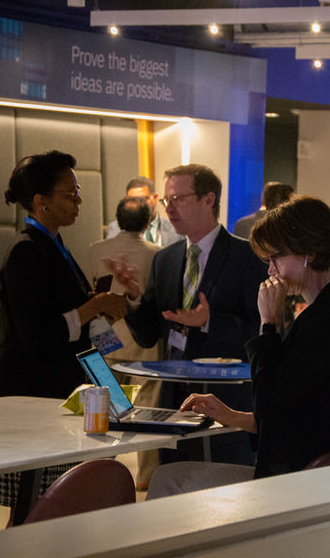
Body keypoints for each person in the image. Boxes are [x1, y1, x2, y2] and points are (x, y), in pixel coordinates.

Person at [145, 196, 330, 497]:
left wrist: (267, 323)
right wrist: (230, 415)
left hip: (306, 483)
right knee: (172, 476)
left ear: (308, 252)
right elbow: (290, 410)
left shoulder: (328, 320)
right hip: (317, 474)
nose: (270, 271)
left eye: (275, 259)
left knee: (169, 478)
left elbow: (272, 406)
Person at [0, 150, 127, 519]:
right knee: (33, 507)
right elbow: (36, 333)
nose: (78, 202)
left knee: (59, 506)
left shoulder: (54, 245)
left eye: (78, 193)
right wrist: (94, 306)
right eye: (70, 194)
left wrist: (100, 305)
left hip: (60, 385)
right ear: (41, 201)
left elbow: (69, 314)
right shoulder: (26, 250)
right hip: (32, 391)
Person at [111, 163, 267, 465]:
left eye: (178, 199)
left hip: (226, 403)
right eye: (166, 200)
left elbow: (261, 331)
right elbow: (148, 335)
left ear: (208, 200)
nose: (169, 208)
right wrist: (133, 297)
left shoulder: (247, 257)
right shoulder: (165, 260)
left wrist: (209, 322)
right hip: (175, 402)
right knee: (176, 479)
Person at [88, 195, 162, 490]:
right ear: (148, 222)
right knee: (148, 407)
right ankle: (147, 475)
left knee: (104, 405)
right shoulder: (157, 254)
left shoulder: (96, 250)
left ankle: (98, 470)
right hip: (143, 342)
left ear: (118, 220)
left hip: (104, 337)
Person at [106, 176, 182, 248]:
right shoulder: (116, 228)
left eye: (143, 199)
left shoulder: (176, 228)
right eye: (133, 200)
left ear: (155, 198)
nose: (138, 204)